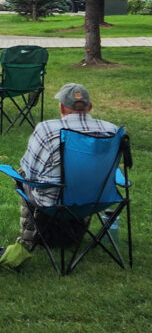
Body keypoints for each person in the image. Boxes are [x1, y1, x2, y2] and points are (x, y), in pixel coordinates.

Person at [17, 83, 119, 249]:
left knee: (22, 176)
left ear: (62, 108)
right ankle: (75, 231)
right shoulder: (112, 131)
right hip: (98, 199)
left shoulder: (47, 129)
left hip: (54, 202)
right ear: (90, 107)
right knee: (84, 179)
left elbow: (32, 172)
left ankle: (28, 238)